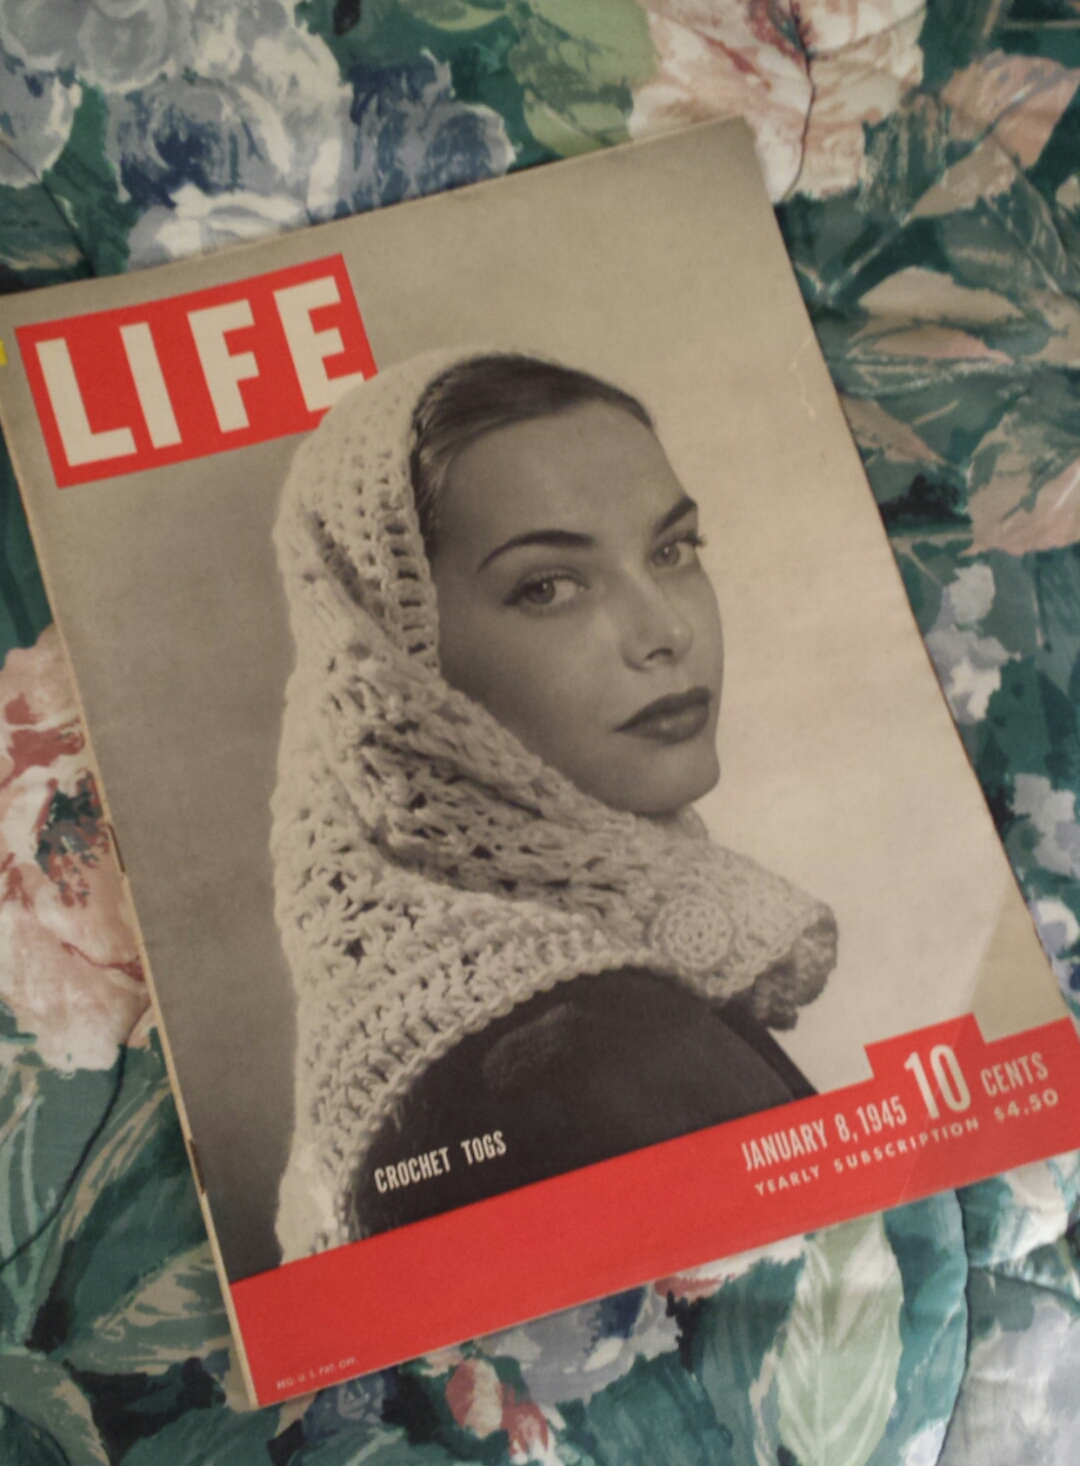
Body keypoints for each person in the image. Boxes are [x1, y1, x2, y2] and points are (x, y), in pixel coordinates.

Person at [271, 349, 836, 1258]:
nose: (667, 630)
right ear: (398, 661)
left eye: (672, 551)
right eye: (548, 587)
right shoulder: (569, 1047)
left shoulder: (528, 994)